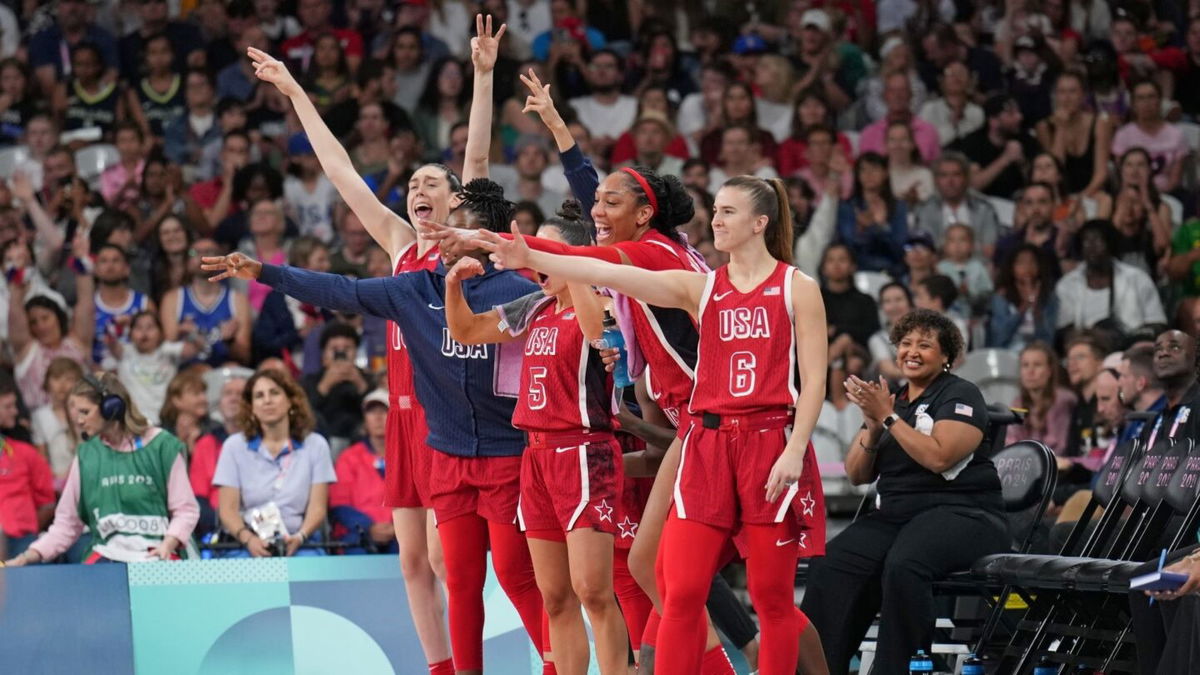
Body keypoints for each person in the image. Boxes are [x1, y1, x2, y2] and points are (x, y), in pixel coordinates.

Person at [423, 67, 760, 671]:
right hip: (614, 438)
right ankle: (731, 659)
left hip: (695, 425)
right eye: (598, 205)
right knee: (641, 575)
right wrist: (556, 126)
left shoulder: (640, 260)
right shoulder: (552, 295)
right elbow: (476, 324)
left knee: (646, 581)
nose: (600, 211)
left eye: (612, 203)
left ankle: (731, 659)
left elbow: (588, 248)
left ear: (644, 212)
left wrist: (514, 244)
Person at [475, 175, 830, 674]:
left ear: (760, 223)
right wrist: (530, 255)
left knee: (772, 599)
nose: (716, 220)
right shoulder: (700, 287)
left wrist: (794, 451)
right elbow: (607, 268)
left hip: (769, 441)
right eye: (716, 210)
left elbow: (814, 380)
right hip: (707, 441)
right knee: (678, 589)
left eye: (728, 212)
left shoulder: (797, 287)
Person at [202, 177, 549, 668]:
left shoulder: (520, 292)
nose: (445, 238)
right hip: (448, 459)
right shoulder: (414, 289)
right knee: (462, 581)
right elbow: (340, 289)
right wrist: (264, 272)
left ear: (489, 240)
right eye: (448, 229)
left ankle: (559, 664)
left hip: (507, 457)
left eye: (462, 232)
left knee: (516, 577)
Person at [443, 202, 628, 673]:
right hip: (536, 457)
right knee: (556, 597)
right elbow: (465, 330)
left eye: (542, 251)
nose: (533, 261)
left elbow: (596, 334)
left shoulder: (604, 302)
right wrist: (453, 285)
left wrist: (576, 268)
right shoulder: (536, 305)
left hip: (584, 452)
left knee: (594, 592)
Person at [802, 308, 1010, 674]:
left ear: (946, 356)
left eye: (925, 345)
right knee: (831, 563)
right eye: (906, 343)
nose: (912, 351)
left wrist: (888, 418)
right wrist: (872, 427)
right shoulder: (891, 401)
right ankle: (815, 669)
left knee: (905, 564)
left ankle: (901, 668)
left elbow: (940, 458)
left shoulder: (961, 394)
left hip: (965, 514)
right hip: (898, 517)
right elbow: (856, 474)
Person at [4, 374, 199, 566]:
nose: (79, 421)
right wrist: (29, 555)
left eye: (85, 412)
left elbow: (186, 510)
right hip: (106, 558)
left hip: (159, 554)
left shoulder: (161, 446)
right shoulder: (87, 455)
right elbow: (66, 524)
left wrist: (168, 544)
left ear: (110, 408)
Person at [212, 369, 334, 558]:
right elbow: (227, 510)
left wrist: (300, 537)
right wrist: (249, 540)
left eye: (274, 393)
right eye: (259, 396)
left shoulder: (316, 445)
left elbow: (318, 508)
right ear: (251, 407)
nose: (267, 400)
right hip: (246, 543)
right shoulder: (233, 446)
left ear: (290, 401)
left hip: (301, 541)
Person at [1055, 219, 1167, 338]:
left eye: (1098, 240)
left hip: (1131, 346)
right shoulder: (1067, 284)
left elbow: (1157, 323)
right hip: (1086, 346)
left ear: (1110, 243)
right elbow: (1064, 331)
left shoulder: (1137, 278)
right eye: (1086, 241)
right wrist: (1094, 336)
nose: (1091, 247)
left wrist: (1136, 337)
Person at [160, 238, 253, 367]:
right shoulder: (173, 299)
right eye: (195, 253)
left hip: (224, 372)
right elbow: (166, 351)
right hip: (186, 374)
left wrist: (229, 342)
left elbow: (244, 356)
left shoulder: (237, 300)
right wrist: (179, 333)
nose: (202, 257)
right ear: (187, 262)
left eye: (209, 252)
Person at [329, 390, 397, 554]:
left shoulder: (407, 456)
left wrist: (397, 526)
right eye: (371, 411)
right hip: (358, 533)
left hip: (400, 530)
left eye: (384, 411)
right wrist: (368, 526)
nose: (378, 417)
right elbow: (339, 503)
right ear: (365, 419)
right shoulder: (349, 457)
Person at [112, 311, 200, 426]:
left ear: (161, 332)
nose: (144, 332)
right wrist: (116, 323)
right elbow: (109, 340)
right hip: (134, 422)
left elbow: (196, 348)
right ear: (130, 334)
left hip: (165, 421)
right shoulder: (125, 352)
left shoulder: (168, 351)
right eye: (138, 327)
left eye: (150, 327)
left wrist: (191, 332)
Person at [912, 152, 1006, 259]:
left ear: (966, 178)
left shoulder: (984, 208)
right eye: (944, 175)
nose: (950, 181)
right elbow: (926, 249)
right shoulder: (925, 210)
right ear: (936, 180)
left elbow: (990, 249)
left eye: (956, 174)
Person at [1034, 71, 1112, 197]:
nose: (1067, 98)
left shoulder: (1100, 123)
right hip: (1059, 195)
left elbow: (1101, 173)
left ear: (1083, 95)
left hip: (1093, 193)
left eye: (1072, 91)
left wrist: (1082, 198)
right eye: (1062, 92)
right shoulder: (1044, 126)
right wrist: (1061, 128)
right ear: (1055, 96)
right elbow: (1055, 170)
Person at [952, 94, 1039, 200]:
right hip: (983, 203)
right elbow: (973, 186)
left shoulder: (1026, 140)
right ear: (993, 120)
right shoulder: (973, 142)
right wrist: (1005, 158)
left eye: (1018, 112)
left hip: (1021, 201)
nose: (1019, 117)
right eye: (1011, 114)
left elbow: (1038, 183)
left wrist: (1022, 163)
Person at [300, 322, 372, 449]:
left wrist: (360, 384)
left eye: (347, 348)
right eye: (334, 349)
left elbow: (379, 409)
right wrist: (324, 386)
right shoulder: (310, 381)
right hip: (324, 441)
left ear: (356, 352)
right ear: (324, 354)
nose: (341, 353)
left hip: (362, 442)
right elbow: (304, 413)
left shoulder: (367, 379)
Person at [836, 152, 908, 277]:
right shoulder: (847, 207)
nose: (868, 175)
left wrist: (881, 226)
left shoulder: (898, 207)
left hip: (889, 271)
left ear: (885, 173)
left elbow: (900, 249)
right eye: (863, 170)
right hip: (856, 271)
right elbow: (846, 247)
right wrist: (860, 230)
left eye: (874, 169)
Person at [1111, 80, 1187, 195]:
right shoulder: (1123, 135)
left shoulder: (1176, 134)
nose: (1146, 103)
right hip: (1132, 195)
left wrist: (1156, 198)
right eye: (1140, 98)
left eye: (1151, 97)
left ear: (1160, 101)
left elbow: (1175, 180)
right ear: (1133, 104)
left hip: (1168, 195)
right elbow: (1121, 176)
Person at [1006, 341, 1077, 454]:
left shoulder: (1062, 400)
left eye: (1037, 365)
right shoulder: (1017, 402)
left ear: (1049, 371)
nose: (1030, 371)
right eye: (1025, 365)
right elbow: (1011, 442)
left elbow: (1058, 447)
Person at [987, 243, 1061, 350]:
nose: (1027, 267)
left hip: (1038, 352)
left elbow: (1048, 339)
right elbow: (999, 338)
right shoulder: (1001, 296)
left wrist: (1036, 311)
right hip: (1008, 352)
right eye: (1021, 263)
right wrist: (1022, 309)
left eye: (1032, 262)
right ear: (1011, 267)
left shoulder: (1049, 296)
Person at [857, 71, 941, 164]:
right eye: (892, 91)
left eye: (902, 90)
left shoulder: (928, 131)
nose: (897, 95)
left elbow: (936, 168)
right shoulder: (869, 134)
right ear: (885, 96)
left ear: (910, 95)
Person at [0, 424, 55, 558]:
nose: (15, 411)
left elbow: (47, 503)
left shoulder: (25, 453)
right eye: (7, 406)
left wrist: (25, 524)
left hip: (21, 538)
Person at [29, 357, 84, 480]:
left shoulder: (86, 411)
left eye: (69, 379)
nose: (62, 385)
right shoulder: (40, 416)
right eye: (56, 378)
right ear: (47, 382)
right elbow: (41, 456)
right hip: (59, 478)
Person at [820, 244, 881, 350]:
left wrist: (837, 330)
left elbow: (872, 330)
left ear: (853, 266)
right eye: (830, 260)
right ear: (823, 268)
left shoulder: (865, 301)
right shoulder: (814, 299)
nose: (836, 265)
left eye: (842, 260)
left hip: (857, 354)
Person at [869, 282, 914, 385]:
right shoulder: (877, 339)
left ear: (910, 303)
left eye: (899, 299)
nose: (894, 306)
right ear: (882, 307)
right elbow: (889, 370)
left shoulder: (926, 333)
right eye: (887, 301)